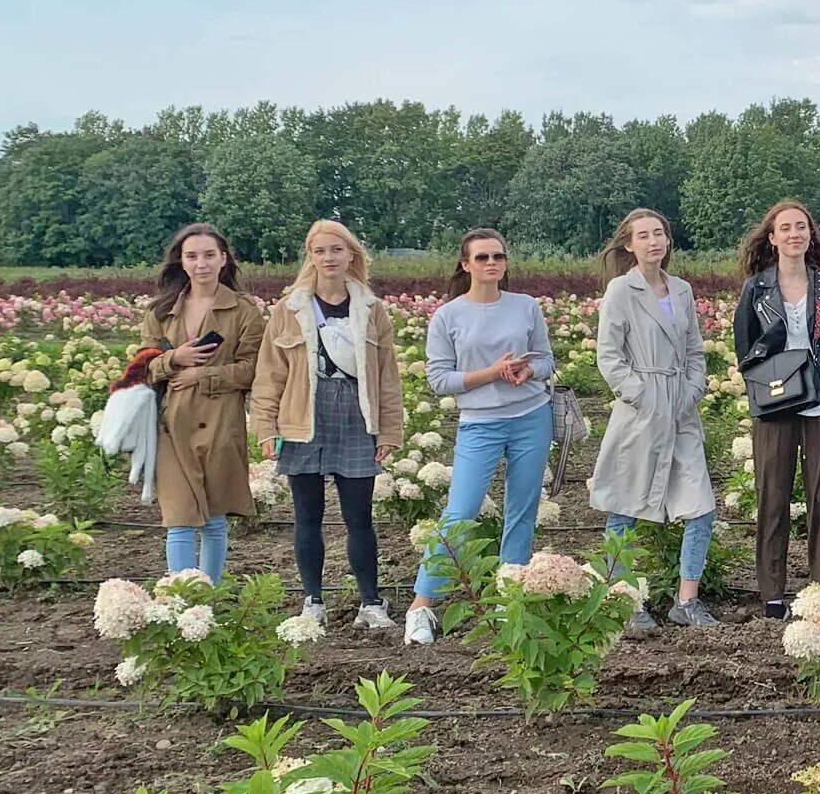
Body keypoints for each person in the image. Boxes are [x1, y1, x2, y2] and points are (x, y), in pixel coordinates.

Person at [402, 229, 556, 646]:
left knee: (522, 510)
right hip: (479, 424)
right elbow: (438, 379)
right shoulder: (448, 316)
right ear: (466, 264)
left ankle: (510, 597)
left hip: (530, 417)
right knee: (460, 513)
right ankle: (422, 606)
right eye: (483, 257)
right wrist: (490, 373)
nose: (492, 263)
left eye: (499, 256)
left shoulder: (525, 307)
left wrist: (529, 371)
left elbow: (545, 360)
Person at [250, 220, 404, 629]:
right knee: (307, 516)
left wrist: (389, 431)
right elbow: (270, 374)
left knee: (359, 517)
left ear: (351, 255)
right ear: (311, 257)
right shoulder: (289, 309)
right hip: (303, 417)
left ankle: (370, 602)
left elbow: (387, 375)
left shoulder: (371, 310)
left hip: (357, 414)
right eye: (320, 251)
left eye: (337, 250)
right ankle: (312, 601)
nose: (329, 258)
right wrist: (266, 426)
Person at [589, 208, 718, 631]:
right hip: (640, 413)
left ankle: (687, 599)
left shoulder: (681, 289)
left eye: (659, 233)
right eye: (643, 235)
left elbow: (695, 350)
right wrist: (641, 395)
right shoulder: (620, 291)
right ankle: (625, 600)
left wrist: (692, 389)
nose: (653, 241)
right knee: (624, 505)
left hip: (681, 408)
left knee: (701, 505)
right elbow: (609, 356)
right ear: (629, 244)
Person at [733, 199, 820, 620]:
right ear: (773, 237)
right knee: (773, 495)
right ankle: (773, 593)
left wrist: (819, 381)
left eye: (802, 226)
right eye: (786, 228)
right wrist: (769, 386)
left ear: (810, 236)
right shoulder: (756, 288)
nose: (795, 233)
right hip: (776, 402)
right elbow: (745, 348)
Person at [140, 223, 265, 584]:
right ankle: (183, 596)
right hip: (171, 426)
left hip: (222, 424)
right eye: (192, 256)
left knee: (213, 519)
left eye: (209, 255)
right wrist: (174, 359)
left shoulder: (243, 311)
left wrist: (203, 376)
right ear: (181, 261)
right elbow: (142, 368)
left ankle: (210, 595)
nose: (201, 264)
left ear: (223, 259)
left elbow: (255, 369)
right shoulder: (160, 312)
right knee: (178, 518)